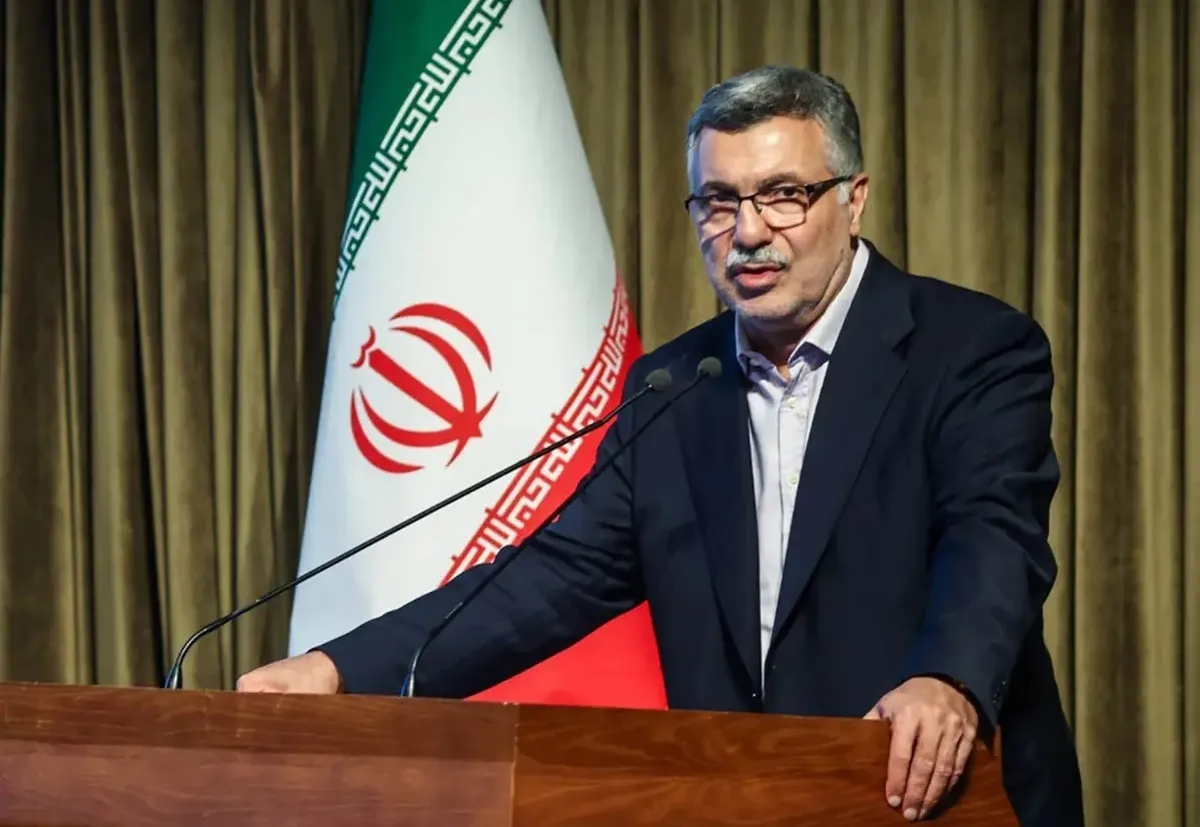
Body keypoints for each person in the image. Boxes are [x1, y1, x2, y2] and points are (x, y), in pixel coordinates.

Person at [238, 65, 1084, 825]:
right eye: (718, 201)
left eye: (783, 195)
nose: (748, 232)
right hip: (748, 801)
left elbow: (992, 538)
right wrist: (340, 670)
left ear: (852, 199)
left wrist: (949, 679)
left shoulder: (970, 348)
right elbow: (548, 579)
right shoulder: (674, 387)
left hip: (939, 797)